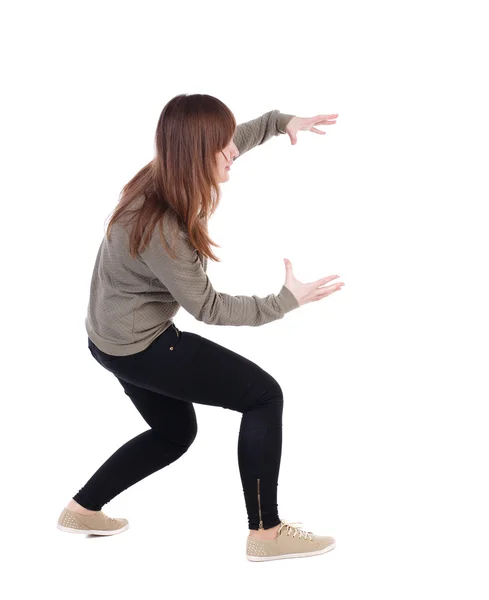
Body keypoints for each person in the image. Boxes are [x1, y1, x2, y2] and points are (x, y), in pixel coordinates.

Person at [56, 93, 344, 562]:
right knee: (263, 395)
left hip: (107, 339)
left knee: (174, 433)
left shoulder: (166, 174)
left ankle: (82, 508)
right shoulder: (163, 226)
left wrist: (279, 121)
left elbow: (236, 138)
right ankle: (266, 535)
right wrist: (285, 301)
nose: (233, 151)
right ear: (193, 153)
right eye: (221, 146)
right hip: (139, 345)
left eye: (230, 141)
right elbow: (207, 307)